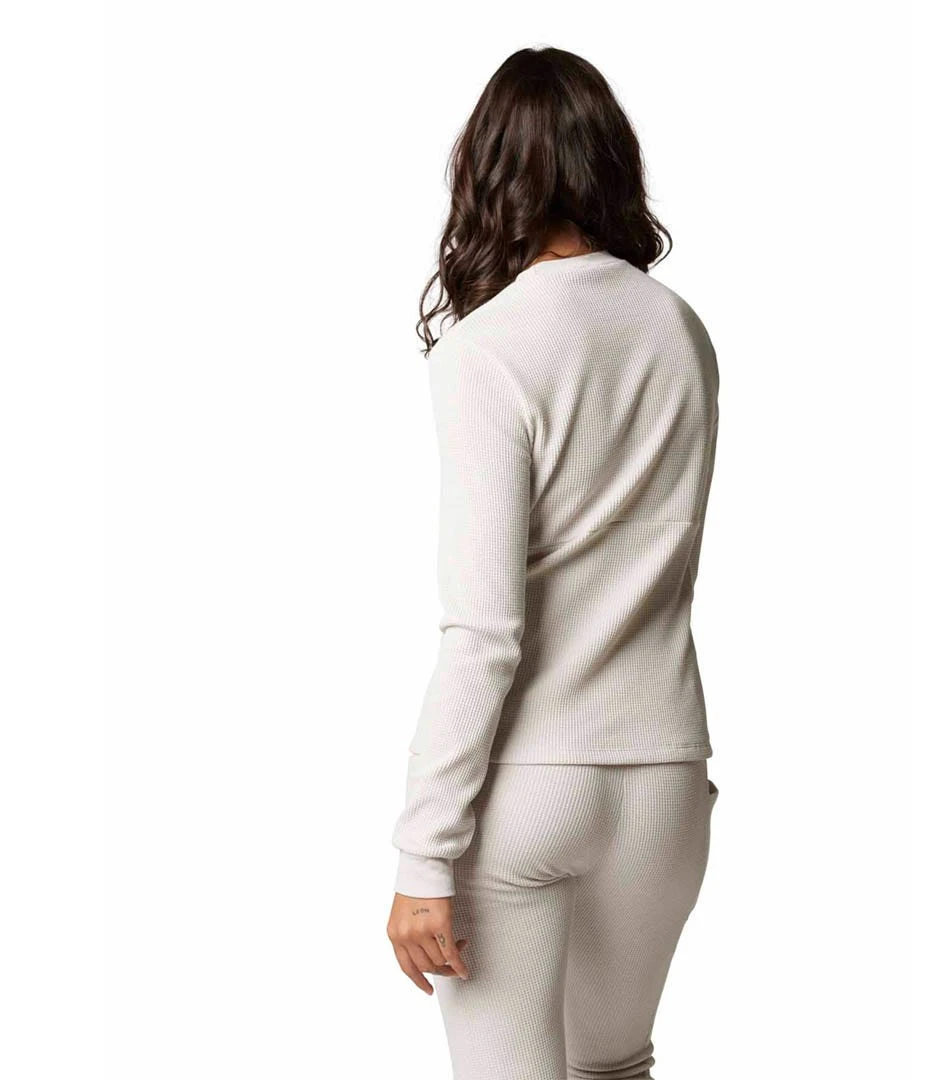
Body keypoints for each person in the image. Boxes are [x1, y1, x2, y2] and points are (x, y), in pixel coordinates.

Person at [385, 45, 721, 1080]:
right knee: (614, 1071)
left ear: (487, 170)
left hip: (532, 786)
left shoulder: (488, 349)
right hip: (666, 786)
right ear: (610, 160)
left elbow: (485, 633)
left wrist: (423, 852)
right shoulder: (679, 331)